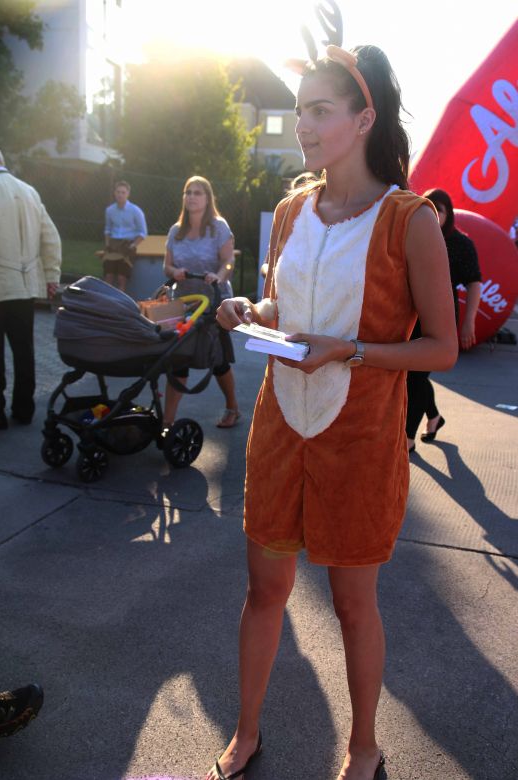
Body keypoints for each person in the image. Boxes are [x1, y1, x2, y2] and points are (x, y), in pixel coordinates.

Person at [213, 43, 458, 780]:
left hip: (359, 438)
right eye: (300, 112)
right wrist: (250, 310)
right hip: (279, 427)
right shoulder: (293, 209)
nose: (304, 126)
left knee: (354, 605)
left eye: (320, 111)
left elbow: (443, 348)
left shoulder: (410, 219)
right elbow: (282, 304)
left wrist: (348, 350)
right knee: (264, 589)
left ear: (363, 120)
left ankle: (364, 746)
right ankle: (246, 732)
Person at [406, 188, 482, 452]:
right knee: (411, 375)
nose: (434, 214)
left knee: (416, 377)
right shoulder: (413, 235)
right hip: (410, 316)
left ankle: (408, 437)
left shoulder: (461, 243)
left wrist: (469, 322)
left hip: (441, 317)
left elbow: (474, 283)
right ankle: (434, 417)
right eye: (429, 207)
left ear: (448, 214)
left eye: (439, 210)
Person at [163, 175, 240, 429]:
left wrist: (218, 275)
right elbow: (167, 266)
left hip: (213, 303)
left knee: (218, 361)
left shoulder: (219, 227)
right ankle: (167, 422)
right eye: (188, 192)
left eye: (197, 193)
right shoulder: (176, 231)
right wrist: (174, 272)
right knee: (178, 360)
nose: (192, 197)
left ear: (208, 199)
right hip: (184, 304)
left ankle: (233, 408)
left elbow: (228, 261)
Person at [0, 149, 61, 430]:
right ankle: (24, 408)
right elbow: (51, 237)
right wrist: (51, 276)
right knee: (24, 350)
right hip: (25, 288)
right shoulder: (29, 192)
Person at [104, 180, 147, 293]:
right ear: (114, 193)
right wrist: (108, 244)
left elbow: (143, 233)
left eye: (123, 192)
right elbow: (107, 229)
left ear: (128, 194)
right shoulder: (109, 210)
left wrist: (133, 246)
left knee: (121, 278)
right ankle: (105, 301)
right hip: (113, 245)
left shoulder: (136, 211)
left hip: (128, 245)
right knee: (108, 276)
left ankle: (119, 301)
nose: (120, 195)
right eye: (118, 192)